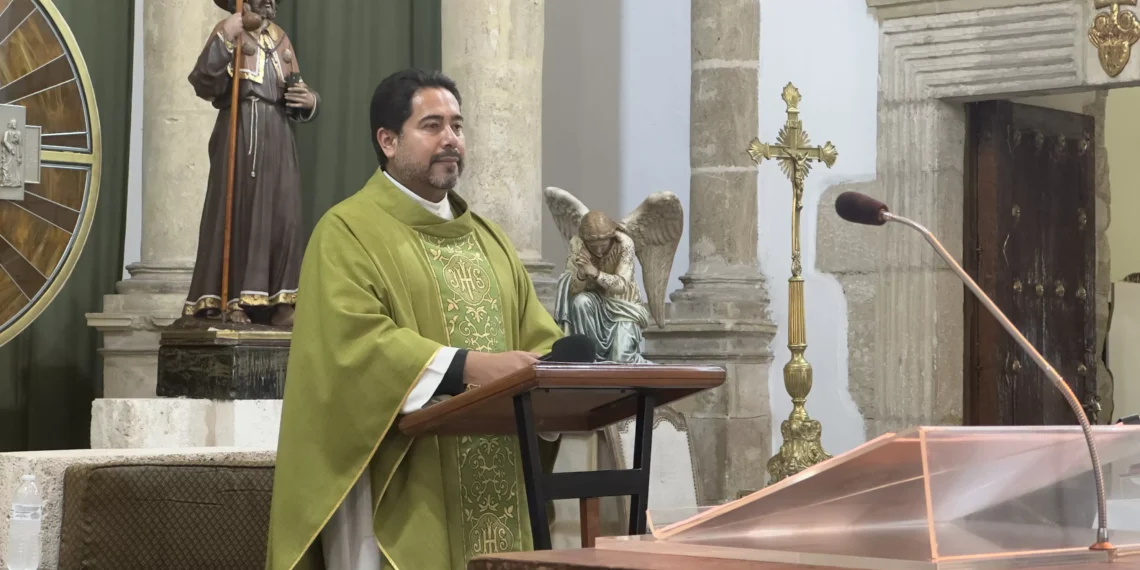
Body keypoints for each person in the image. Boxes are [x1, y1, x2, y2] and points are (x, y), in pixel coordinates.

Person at [265, 69, 564, 570]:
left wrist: (565, 369)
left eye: (458, 126)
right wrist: (470, 367)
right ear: (387, 140)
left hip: (498, 475)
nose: (451, 139)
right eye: (432, 125)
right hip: (399, 481)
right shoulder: (347, 231)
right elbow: (354, 345)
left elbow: (537, 336)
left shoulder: (489, 240)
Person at [183, 0, 319, 326]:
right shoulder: (230, 32)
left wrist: (309, 99)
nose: (270, 1)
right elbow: (203, 81)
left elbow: (295, 87)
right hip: (242, 128)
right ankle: (234, 299)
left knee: (283, 216)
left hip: (279, 134)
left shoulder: (280, 37)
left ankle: (282, 301)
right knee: (241, 210)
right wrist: (226, 36)